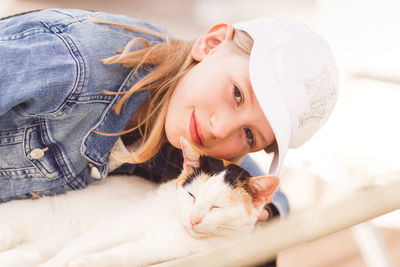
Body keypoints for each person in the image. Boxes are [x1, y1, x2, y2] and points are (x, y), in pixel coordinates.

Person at [0, 9, 338, 224]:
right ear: (211, 43)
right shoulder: (74, 66)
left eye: (249, 135)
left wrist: (265, 211)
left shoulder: (186, 133)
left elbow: (262, 192)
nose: (219, 129)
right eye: (236, 93)